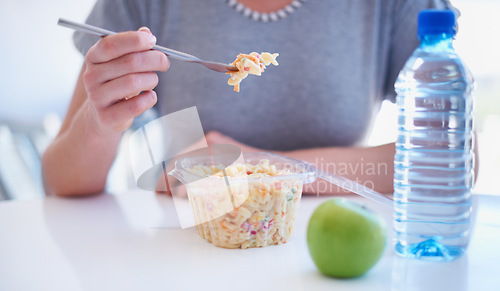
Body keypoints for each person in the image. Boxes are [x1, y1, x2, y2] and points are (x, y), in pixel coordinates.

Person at [42, 0, 454, 196]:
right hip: (189, 255)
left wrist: (256, 168)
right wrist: (102, 120)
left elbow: (452, 158)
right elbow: (62, 181)